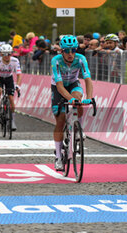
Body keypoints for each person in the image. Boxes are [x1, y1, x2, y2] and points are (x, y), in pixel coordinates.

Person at [50, 35, 93, 171]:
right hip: (58, 87)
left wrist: (89, 98)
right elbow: (60, 85)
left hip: (74, 83)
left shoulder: (81, 59)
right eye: (67, 51)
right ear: (61, 51)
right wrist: (70, 99)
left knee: (78, 100)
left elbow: (87, 80)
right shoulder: (55, 61)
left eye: (73, 50)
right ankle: (58, 156)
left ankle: (78, 128)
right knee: (60, 121)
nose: (70, 54)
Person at [0, 44, 21, 130]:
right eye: (4, 54)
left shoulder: (15, 61)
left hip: (9, 78)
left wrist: (18, 85)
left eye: (9, 54)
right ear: (1, 54)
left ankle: (12, 121)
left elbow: (19, 75)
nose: (7, 56)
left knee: (11, 98)